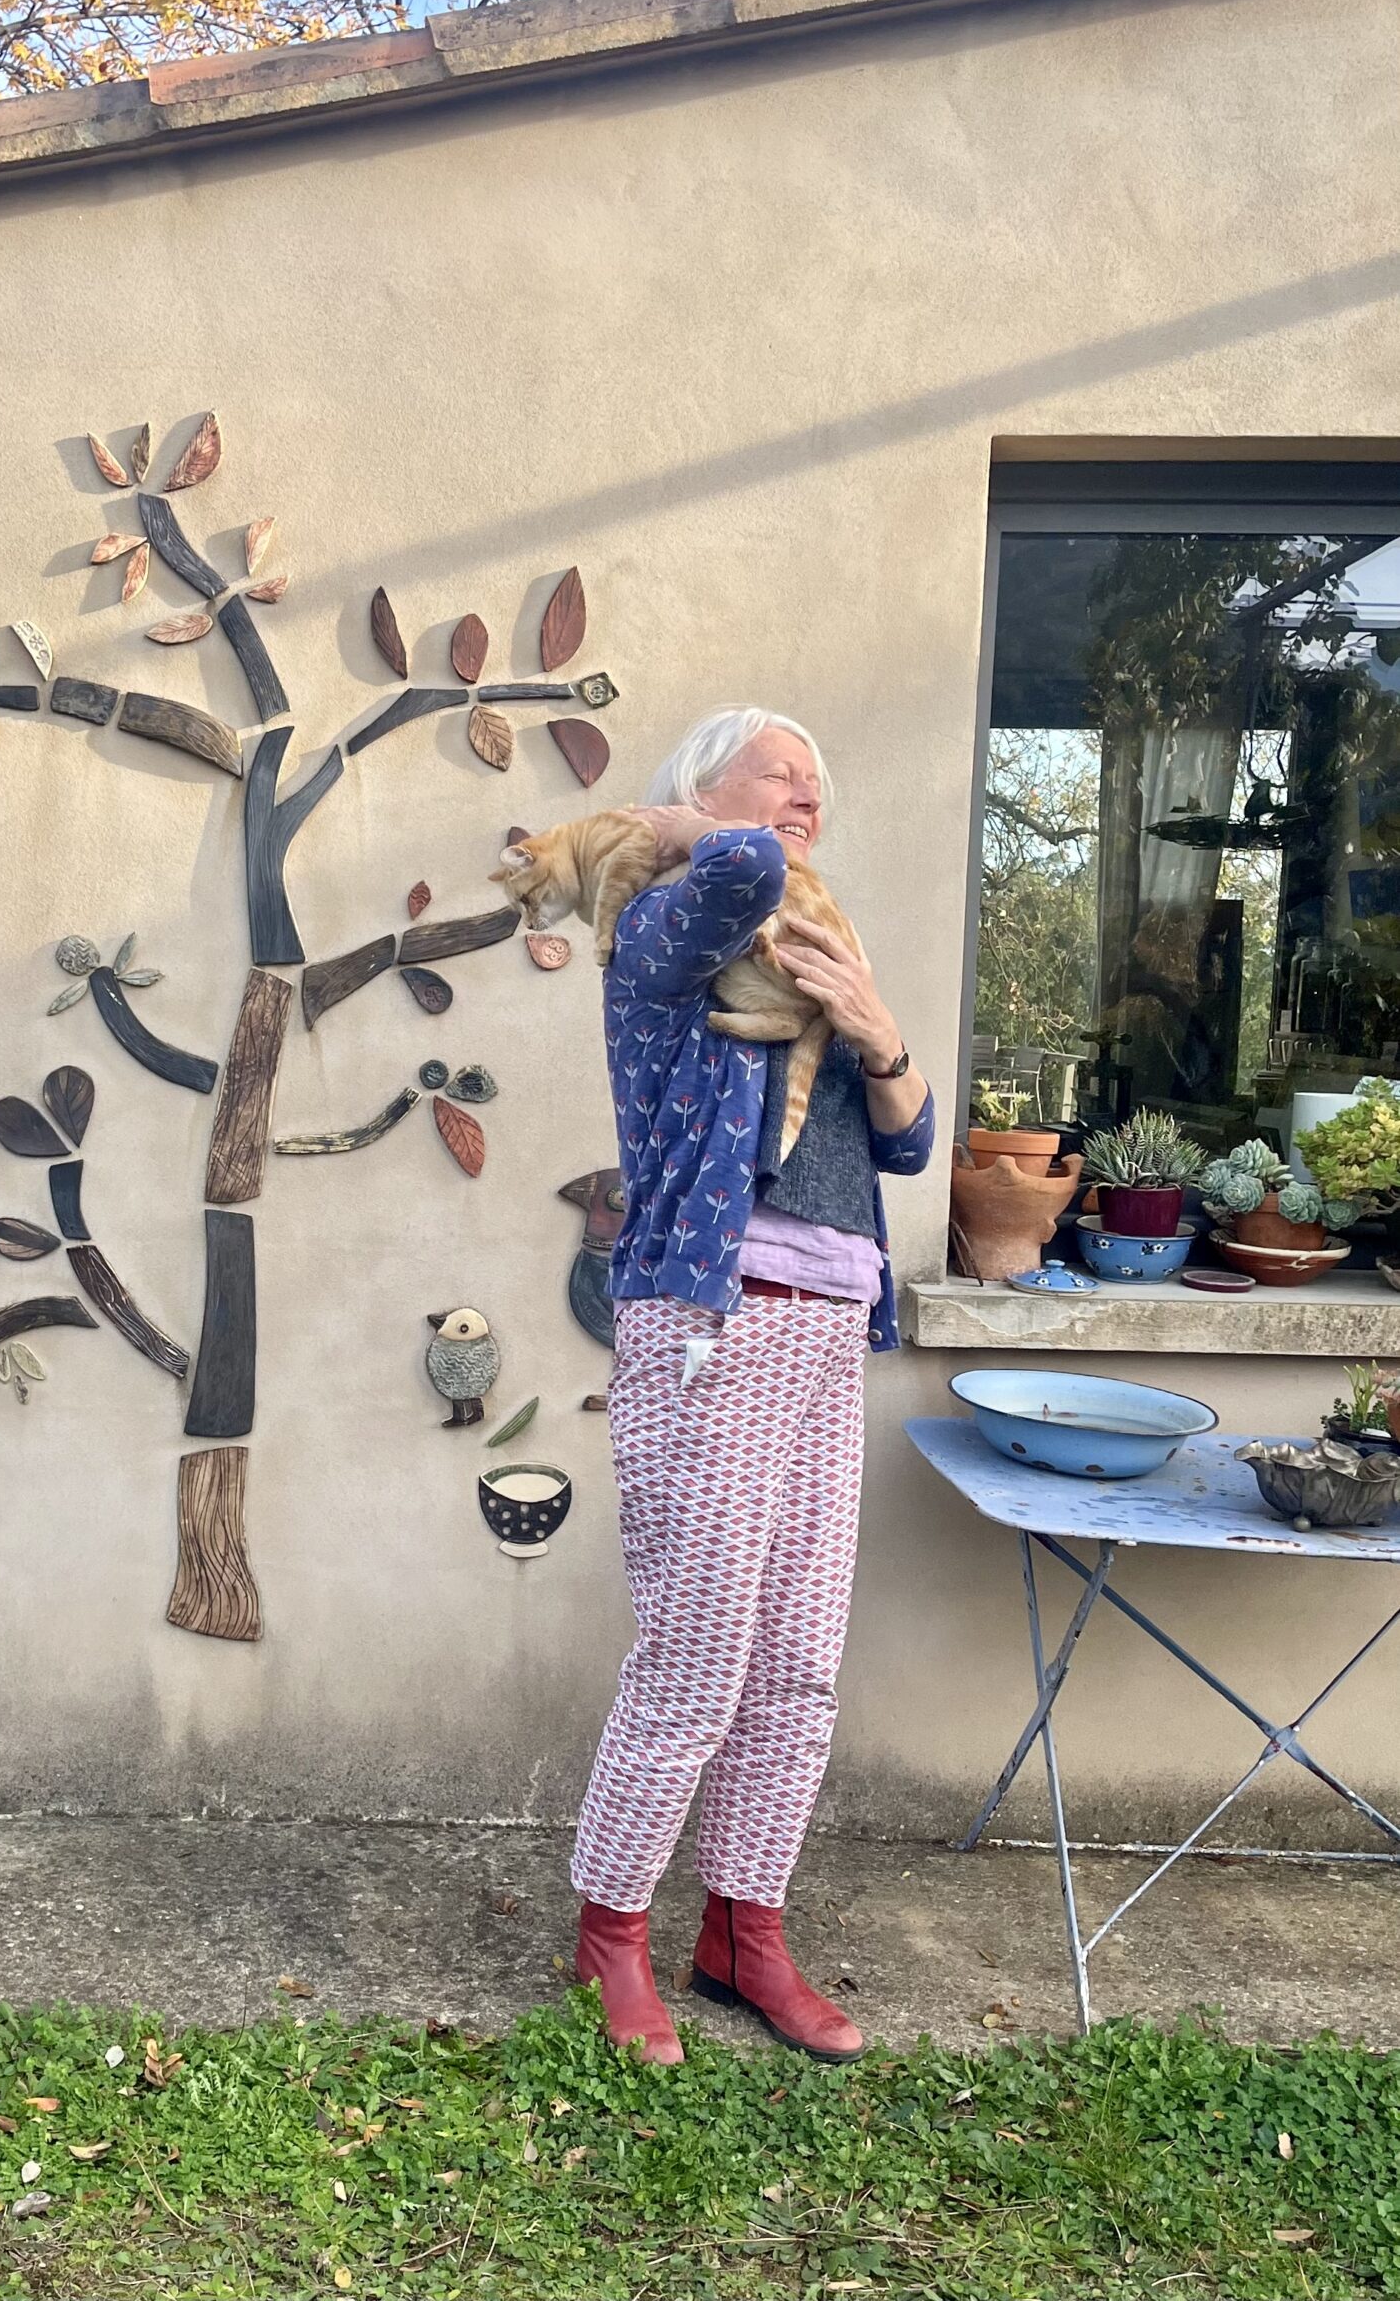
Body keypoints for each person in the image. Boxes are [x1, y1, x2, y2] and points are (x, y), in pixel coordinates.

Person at [568, 706, 935, 2066]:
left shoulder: (815, 957)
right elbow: (734, 871)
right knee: (699, 1654)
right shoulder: (666, 930)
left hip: (827, 1331)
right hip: (709, 1322)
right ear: (696, 796)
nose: (807, 793)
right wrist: (679, 833)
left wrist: (876, 1023)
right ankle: (611, 1933)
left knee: (795, 1664)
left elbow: (908, 1146)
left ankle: (743, 1932)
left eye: (818, 782)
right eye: (781, 768)